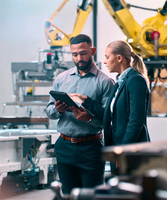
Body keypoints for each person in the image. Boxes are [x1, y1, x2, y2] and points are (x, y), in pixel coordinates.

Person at [46, 34, 114, 194]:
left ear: (93, 51)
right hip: (64, 146)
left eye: (83, 53)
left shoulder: (105, 82)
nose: (79, 58)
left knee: (91, 196)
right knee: (68, 194)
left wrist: (89, 119)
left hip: (91, 148)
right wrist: (58, 109)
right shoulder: (61, 79)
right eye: (74, 54)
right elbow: (49, 111)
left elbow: (108, 120)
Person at [70, 40, 150, 171]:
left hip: (130, 150)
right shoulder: (119, 82)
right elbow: (108, 116)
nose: (105, 62)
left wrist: (122, 152)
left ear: (119, 58)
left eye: (107, 57)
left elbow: (136, 121)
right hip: (116, 147)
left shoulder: (135, 80)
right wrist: (85, 100)